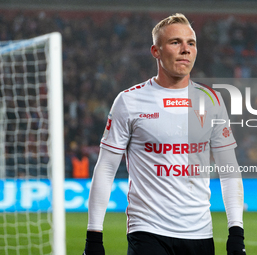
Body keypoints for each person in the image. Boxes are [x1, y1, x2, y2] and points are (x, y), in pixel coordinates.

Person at [83, 13, 246, 255]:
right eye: (175, 42)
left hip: (200, 234)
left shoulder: (211, 100)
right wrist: (94, 236)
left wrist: (236, 233)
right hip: (147, 232)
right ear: (156, 51)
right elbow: (106, 167)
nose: (185, 50)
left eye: (191, 43)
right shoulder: (129, 101)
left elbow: (229, 169)